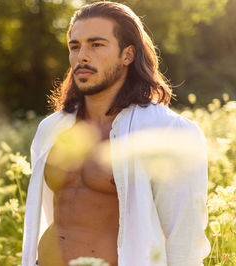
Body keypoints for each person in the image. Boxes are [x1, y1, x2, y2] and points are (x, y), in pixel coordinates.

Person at [21, 1, 211, 266]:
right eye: (75, 47)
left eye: (96, 44)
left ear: (127, 55)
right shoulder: (52, 129)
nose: (82, 56)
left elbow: (185, 242)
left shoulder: (168, 132)